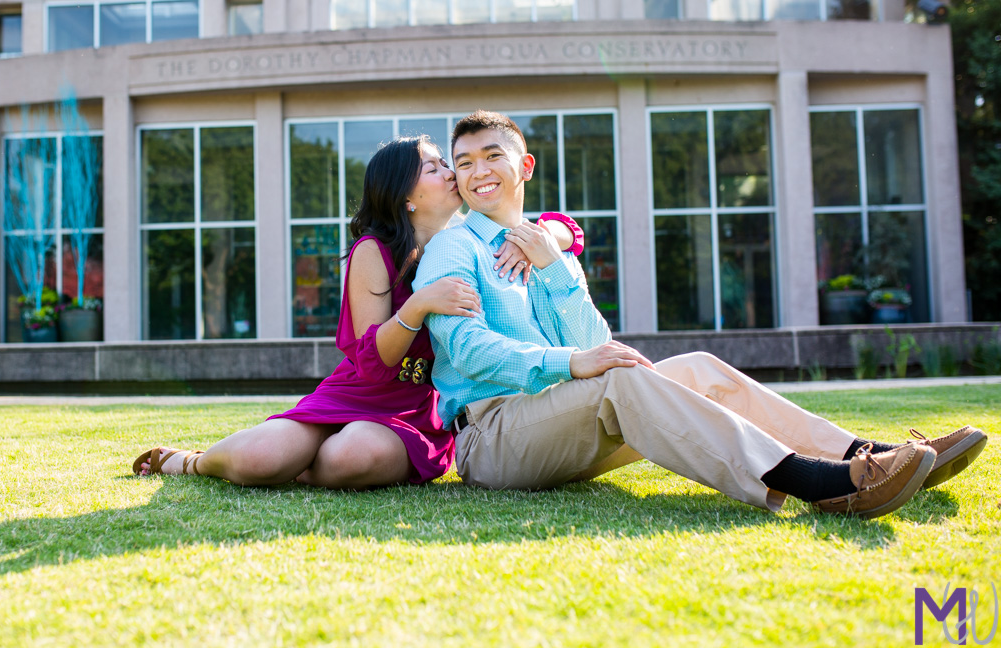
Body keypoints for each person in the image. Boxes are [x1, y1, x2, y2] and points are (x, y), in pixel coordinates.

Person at [413, 110, 987, 518]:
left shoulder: (552, 250)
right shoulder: (454, 248)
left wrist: (555, 267)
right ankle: (820, 483)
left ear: (525, 166)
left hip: (561, 424)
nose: (477, 170)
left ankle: (865, 456)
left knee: (700, 368)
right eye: (462, 162)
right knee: (625, 382)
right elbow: (467, 348)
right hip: (493, 438)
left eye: (492, 155)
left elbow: (598, 343)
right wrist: (570, 361)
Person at [133, 135, 585, 489]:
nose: (453, 172)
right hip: (361, 391)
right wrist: (421, 302)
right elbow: (371, 361)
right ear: (405, 195)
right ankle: (189, 462)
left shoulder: (470, 239)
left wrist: (549, 241)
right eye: (435, 167)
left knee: (353, 458)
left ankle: (304, 466)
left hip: (420, 406)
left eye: (447, 164)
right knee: (261, 459)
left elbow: (569, 229)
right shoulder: (375, 251)